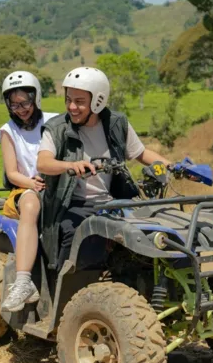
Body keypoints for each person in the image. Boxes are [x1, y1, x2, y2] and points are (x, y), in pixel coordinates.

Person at [36, 67, 171, 273]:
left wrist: (170, 166)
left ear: (98, 101)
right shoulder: (57, 128)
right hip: (73, 204)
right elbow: (43, 163)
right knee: (74, 237)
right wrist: (70, 165)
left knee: (150, 234)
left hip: (113, 202)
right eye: (68, 99)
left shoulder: (117, 124)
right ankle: (64, 290)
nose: (72, 107)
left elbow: (141, 154)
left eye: (79, 101)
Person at [0, 70, 60, 312]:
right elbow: (12, 172)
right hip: (27, 185)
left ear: (36, 97)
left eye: (24, 102)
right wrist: (30, 183)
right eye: (14, 104)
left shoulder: (55, 121)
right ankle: (24, 282)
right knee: (31, 205)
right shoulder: (8, 131)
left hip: (59, 182)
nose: (20, 108)